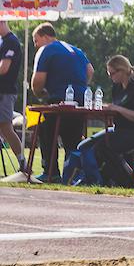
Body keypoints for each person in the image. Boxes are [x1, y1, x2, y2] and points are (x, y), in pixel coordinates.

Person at [77, 56, 134, 187]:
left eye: (112, 73)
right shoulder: (117, 87)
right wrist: (105, 110)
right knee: (85, 145)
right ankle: (93, 178)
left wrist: (117, 109)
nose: (111, 77)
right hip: (120, 129)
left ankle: (127, 179)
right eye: (109, 74)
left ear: (123, 70)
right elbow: (116, 112)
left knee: (104, 146)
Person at [29, 23, 93, 182]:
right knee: (73, 138)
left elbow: (37, 81)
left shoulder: (46, 50)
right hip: (80, 99)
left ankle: (50, 171)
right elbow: (90, 70)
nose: (36, 46)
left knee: (46, 132)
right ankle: (72, 173)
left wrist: (40, 93)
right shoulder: (76, 50)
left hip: (59, 99)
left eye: (36, 41)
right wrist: (81, 87)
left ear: (45, 37)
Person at [0, 21, 24, 164]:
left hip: (5, 92)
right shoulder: (4, 42)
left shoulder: (11, 42)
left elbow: (4, 68)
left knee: (6, 127)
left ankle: (22, 162)